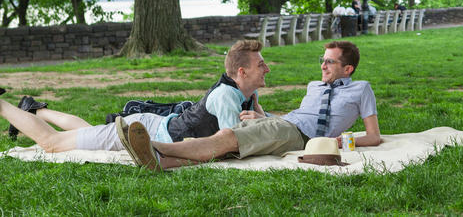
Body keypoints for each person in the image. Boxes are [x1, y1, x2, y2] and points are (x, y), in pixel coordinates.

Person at [121, 40, 380, 171]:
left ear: (348, 69)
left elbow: (373, 136)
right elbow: (297, 117)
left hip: (301, 136)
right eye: (322, 60)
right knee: (232, 146)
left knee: (228, 136)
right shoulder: (315, 86)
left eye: (330, 62)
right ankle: (160, 162)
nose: (322, 66)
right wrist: (263, 117)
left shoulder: (361, 89)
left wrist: (341, 141)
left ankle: (154, 147)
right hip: (285, 125)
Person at [0, 39, 268, 153]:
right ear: (241, 72)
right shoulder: (227, 97)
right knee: (52, 143)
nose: (266, 68)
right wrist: (259, 122)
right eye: (260, 65)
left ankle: (34, 109)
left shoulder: (246, 93)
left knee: (90, 133)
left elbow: (255, 130)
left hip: (149, 128)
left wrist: (260, 116)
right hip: (146, 131)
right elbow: (232, 146)